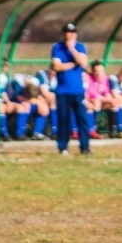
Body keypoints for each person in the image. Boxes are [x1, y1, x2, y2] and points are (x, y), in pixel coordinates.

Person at [52, 23, 91, 155]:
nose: (71, 35)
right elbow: (56, 67)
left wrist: (72, 49)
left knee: (82, 120)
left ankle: (85, 147)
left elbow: (84, 63)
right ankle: (63, 147)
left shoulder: (80, 47)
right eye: (68, 32)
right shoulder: (57, 48)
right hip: (63, 91)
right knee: (63, 120)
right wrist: (73, 63)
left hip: (78, 91)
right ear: (64, 34)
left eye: (73, 32)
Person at [6, 74, 49, 140]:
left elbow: (37, 96)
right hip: (13, 102)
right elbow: (19, 98)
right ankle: (20, 133)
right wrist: (36, 102)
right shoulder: (17, 82)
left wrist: (42, 104)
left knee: (43, 108)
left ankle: (37, 133)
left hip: (27, 102)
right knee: (25, 106)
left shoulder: (35, 82)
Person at [36, 65, 58, 137]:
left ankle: (54, 130)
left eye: (55, 71)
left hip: (49, 101)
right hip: (38, 98)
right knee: (49, 103)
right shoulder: (42, 75)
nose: (53, 73)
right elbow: (44, 93)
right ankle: (53, 130)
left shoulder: (58, 78)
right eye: (52, 70)